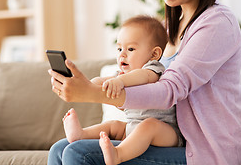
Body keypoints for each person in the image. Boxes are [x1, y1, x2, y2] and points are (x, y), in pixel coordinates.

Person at [48, 0, 241, 164]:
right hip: (167, 138)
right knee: (60, 148)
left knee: (77, 152)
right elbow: (144, 87)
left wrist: (91, 94)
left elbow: (169, 91)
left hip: (205, 150)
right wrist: (97, 85)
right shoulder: (167, 28)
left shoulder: (217, 24)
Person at [62, 15, 184, 165]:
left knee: (149, 125)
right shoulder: (123, 76)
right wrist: (89, 84)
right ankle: (81, 134)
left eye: (131, 49)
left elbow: (143, 77)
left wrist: (119, 81)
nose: (122, 54)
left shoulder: (153, 70)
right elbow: (103, 81)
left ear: (154, 54)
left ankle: (118, 154)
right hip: (134, 127)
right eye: (119, 48)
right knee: (114, 125)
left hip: (166, 133)